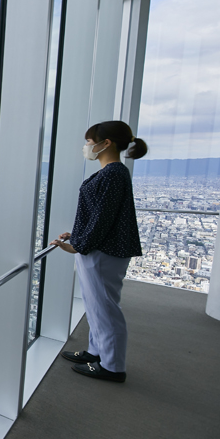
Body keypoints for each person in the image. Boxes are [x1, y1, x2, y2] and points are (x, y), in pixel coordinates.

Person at [50, 120, 147, 383]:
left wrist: (77, 245)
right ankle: (96, 352)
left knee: (105, 308)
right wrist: (77, 235)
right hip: (99, 248)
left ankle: (113, 366)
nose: (87, 147)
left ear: (107, 143)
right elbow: (99, 214)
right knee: (95, 306)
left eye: (90, 142)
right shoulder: (112, 172)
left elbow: (103, 217)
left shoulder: (114, 173)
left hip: (104, 251)